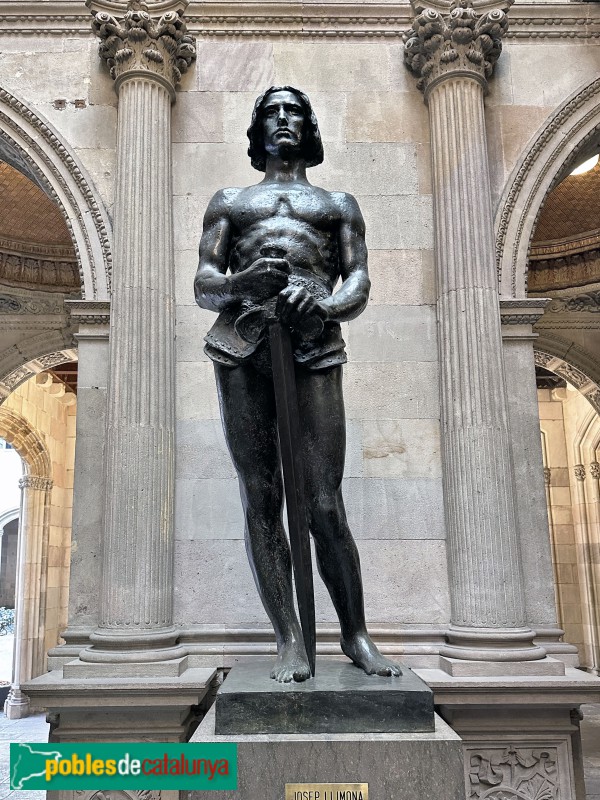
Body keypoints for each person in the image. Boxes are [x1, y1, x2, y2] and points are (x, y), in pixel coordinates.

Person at [194, 86, 401, 683]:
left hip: (313, 346)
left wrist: (326, 306)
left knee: (325, 503)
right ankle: (288, 639)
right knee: (262, 497)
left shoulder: (337, 203)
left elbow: (358, 280)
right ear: (257, 130)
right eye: (272, 113)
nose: (283, 121)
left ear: (309, 127)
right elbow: (206, 283)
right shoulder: (231, 201)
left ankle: (356, 636)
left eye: (294, 113)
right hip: (241, 346)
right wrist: (246, 280)